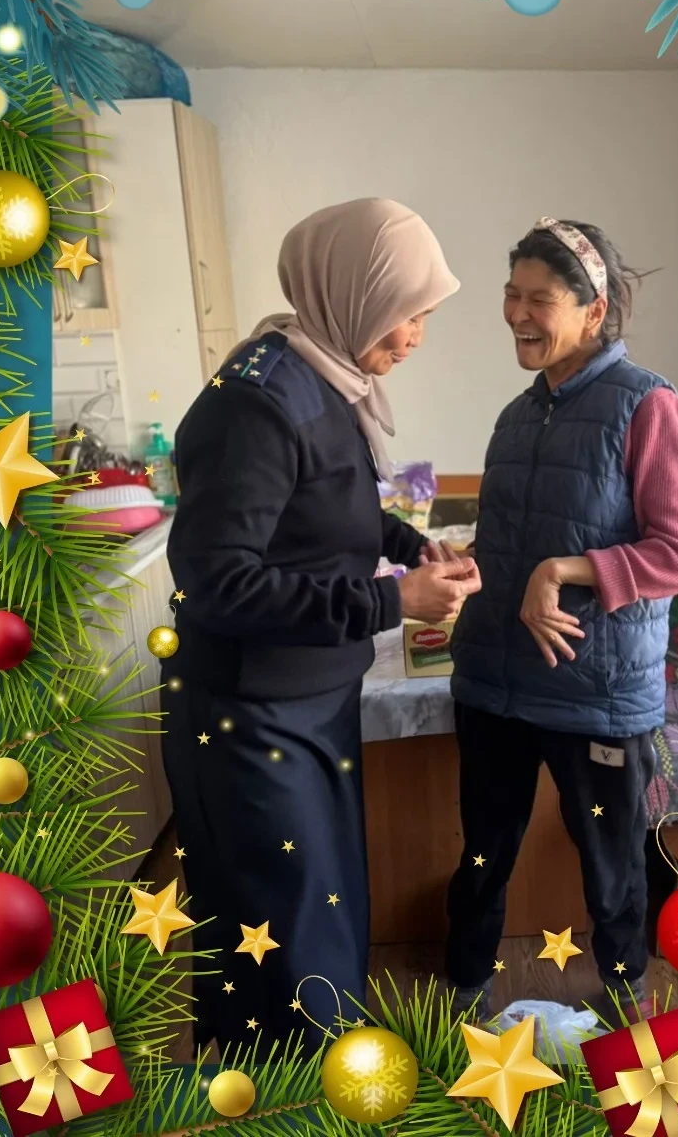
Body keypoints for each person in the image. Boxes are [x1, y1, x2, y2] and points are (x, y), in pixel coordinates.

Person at [160, 198, 479, 1056]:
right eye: (409, 313)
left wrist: (412, 547)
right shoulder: (255, 404)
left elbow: (331, 507)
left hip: (309, 699)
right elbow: (217, 582)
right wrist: (391, 604)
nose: (415, 337)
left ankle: (318, 1078)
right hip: (249, 713)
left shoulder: (325, 377)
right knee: (283, 927)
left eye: (425, 316)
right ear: (354, 294)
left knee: (321, 913)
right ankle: (288, 1093)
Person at [446, 217, 678, 1023]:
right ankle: (462, 991)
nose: (517, 314)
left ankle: (626, 997)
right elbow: (510, 542)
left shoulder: (648, 405)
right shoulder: (515, 417)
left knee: (611, 862)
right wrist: (460, 568)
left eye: (540, 299)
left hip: (594, 689)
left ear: (594, 311)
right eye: (510, 295)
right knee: (483, 851)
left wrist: (563, 570)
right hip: (494, 680)